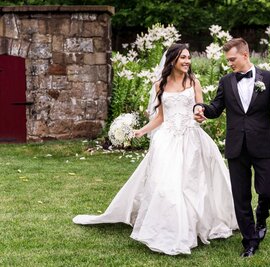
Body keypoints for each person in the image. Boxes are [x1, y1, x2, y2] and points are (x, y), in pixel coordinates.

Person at [73, 43, 237, 255]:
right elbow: (160, 117)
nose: (187, 61)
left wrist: (200, 115)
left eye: (188, 57)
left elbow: (200, 108)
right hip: (167, 140)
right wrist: (141, 131)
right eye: (183, 58)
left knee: (193, 185)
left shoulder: (194, 81)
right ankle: (169, 228)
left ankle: (194, 225)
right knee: (166, 185)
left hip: (191, 139)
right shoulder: (159, 85)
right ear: (172, 60)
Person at [194, 38, 270, 257]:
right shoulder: (226, 81)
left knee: (268, 191)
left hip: (262, 145)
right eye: (227, 60)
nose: (229, 63)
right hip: (236, 147)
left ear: (245, 55)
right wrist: (201, 109)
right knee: (240, 197)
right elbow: (216, 108)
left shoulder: (268, 78)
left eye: (232, 59)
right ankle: (250, 241)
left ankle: (262, 215)